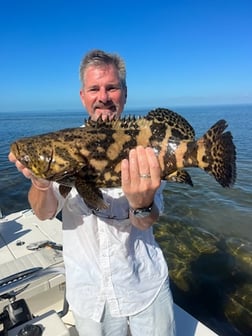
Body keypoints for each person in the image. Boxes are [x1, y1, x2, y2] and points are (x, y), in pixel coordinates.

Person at [9, 49, 175, 336]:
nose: (103, 97)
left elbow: (147, 220)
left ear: (124, 93)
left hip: (144, 287)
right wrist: (40, 182)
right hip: (90, 297)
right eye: (94, 89)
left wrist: (142, 204)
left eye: (111, 87)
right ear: (83, 96)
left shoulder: (143, 145)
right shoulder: (67, 145)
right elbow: (44, 212)